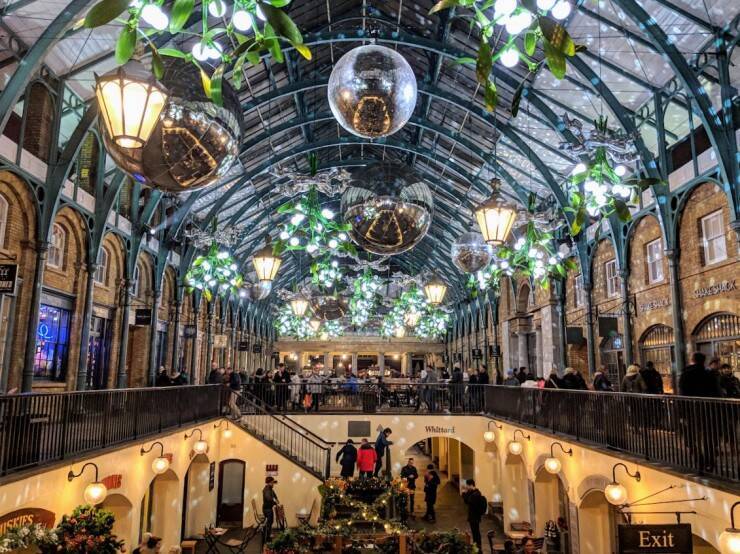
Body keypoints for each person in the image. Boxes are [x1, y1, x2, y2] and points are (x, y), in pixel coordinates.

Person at [462, 479, 487, 551]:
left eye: (467, 485)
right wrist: (466, 493)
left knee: (476, 532)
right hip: (473, 516)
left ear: (471, 485)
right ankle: (476, 545)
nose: (466, 487)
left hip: (475, 516)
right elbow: (466, 501)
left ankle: (478, 546)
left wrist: (464, 493)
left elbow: (468, 501)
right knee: (475, 532)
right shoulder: (473, 493)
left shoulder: (476, 494)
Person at [262, 476, 280, 544]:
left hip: (269, 508)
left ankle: (268, 534)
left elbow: (274, 495)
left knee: (270, 522)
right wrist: (275, 503)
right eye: (272, 482)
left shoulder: (270, 489)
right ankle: (267, 538)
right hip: (267, 509)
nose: (273, 484)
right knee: (269, 523)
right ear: (269, 483)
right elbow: (269, 499)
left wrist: (277, 500)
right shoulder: (266, 490)